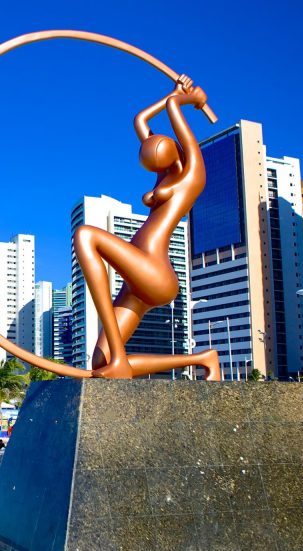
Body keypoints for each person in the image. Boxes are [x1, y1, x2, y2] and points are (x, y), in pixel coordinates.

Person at [77, 76, 219, 380]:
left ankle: (118, 353)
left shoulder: (192, 178)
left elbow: (172, 111)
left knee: (86, 236)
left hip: (154, 270)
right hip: (137, 280)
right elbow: (140, 119)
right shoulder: (163, 177)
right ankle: (203, 360)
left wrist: (185, 99)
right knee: (99, 365)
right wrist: (174, 91)